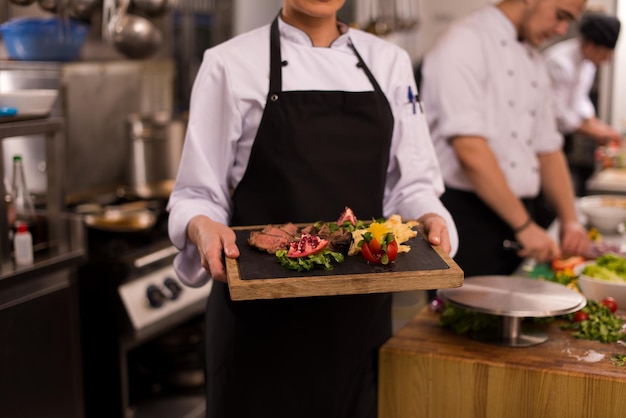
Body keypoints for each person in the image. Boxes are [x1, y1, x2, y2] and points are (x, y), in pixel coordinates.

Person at [167, 1, 458, 417]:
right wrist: (200, 225)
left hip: (356, 320)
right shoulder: (228, 64)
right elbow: (197, 193)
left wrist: (428, 216)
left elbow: (411, 184)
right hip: (259, 325)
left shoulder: (388, 61)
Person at [420, 0, 592, 279]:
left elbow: (548, 149)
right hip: (467, 217)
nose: (562, 29)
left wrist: (570, 221)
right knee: (465, 319)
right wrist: (524, 227)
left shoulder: (534, 59)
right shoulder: (463, 42)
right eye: (561, 16)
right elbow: (470, 150)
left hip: (519, 214)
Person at [544, 11, 621, 196]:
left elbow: (580, 102)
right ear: (590, 45)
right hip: (544, 138)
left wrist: (603, 128)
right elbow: (559, 115)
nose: (607, 60)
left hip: (562, 137)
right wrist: (598, 132)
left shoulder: (587, 64)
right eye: (606, 53)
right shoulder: (559, 62)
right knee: (550, 195)